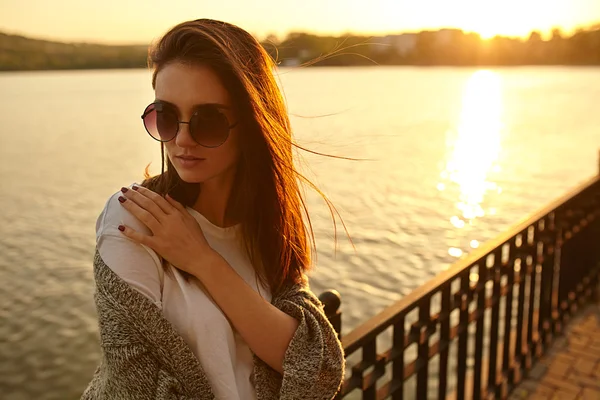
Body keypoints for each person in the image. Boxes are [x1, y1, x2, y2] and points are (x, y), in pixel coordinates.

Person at [82, 18, 346, 400]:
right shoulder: (133, 218)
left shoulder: (266, 227)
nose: (183, 139)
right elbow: (132, 384)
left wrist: (203, 261)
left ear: (254, 123)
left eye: (209, 121)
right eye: (166, 117)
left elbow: (316, 368)